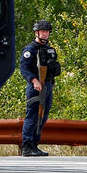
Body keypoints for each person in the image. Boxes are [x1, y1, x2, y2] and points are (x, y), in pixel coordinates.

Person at [20, 20, 61, 157]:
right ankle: (27, 145)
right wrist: (33, 80)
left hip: (48, 85)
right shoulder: (30, 49)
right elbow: (23, 68)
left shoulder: (50, 50)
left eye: (47, 32)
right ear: (36, 33)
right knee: (32, 115)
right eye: (42, 31)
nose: (45, 34)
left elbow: (53, 68)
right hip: (35, 86)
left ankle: (35, 145)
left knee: (43, 116)